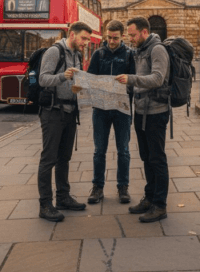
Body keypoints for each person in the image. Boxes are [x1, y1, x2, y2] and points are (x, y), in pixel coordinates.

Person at [115, 17, 170, 223]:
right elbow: (137, 80)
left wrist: (131, 79)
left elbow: (158, 78)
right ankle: (150, 197)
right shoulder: (139, 50)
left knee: (157, 158)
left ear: (144, 32)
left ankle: (160, 205)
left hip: (156, 111)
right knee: (146, 157)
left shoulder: (157, 49)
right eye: (128, 35)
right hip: (140, 110)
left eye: (132, 34)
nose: (130, 39)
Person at [36, 22, 92, 222]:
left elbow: (73, 82)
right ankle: (45, 205)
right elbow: (43, 79)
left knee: (64, 158)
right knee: (48, 159)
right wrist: (62, 76)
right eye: (83, 38)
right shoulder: (54, 52)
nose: (86, 43)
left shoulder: (77, 54)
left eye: (87, 39)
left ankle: (63, 197)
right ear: (72, 35)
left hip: (70, 111)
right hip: (53, 112)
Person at [86, 20, 135, 205]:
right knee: (99, 150)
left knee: (123, 150)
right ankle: (97, 188)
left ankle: (123, 187)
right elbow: (90, 78)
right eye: (109, 38)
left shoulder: (130, 55)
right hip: (100, 108)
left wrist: (127, 82)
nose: (111, 42)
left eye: (115, 38)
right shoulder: (98, 54)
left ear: (122, 36)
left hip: (122, 108)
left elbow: (134, 81)